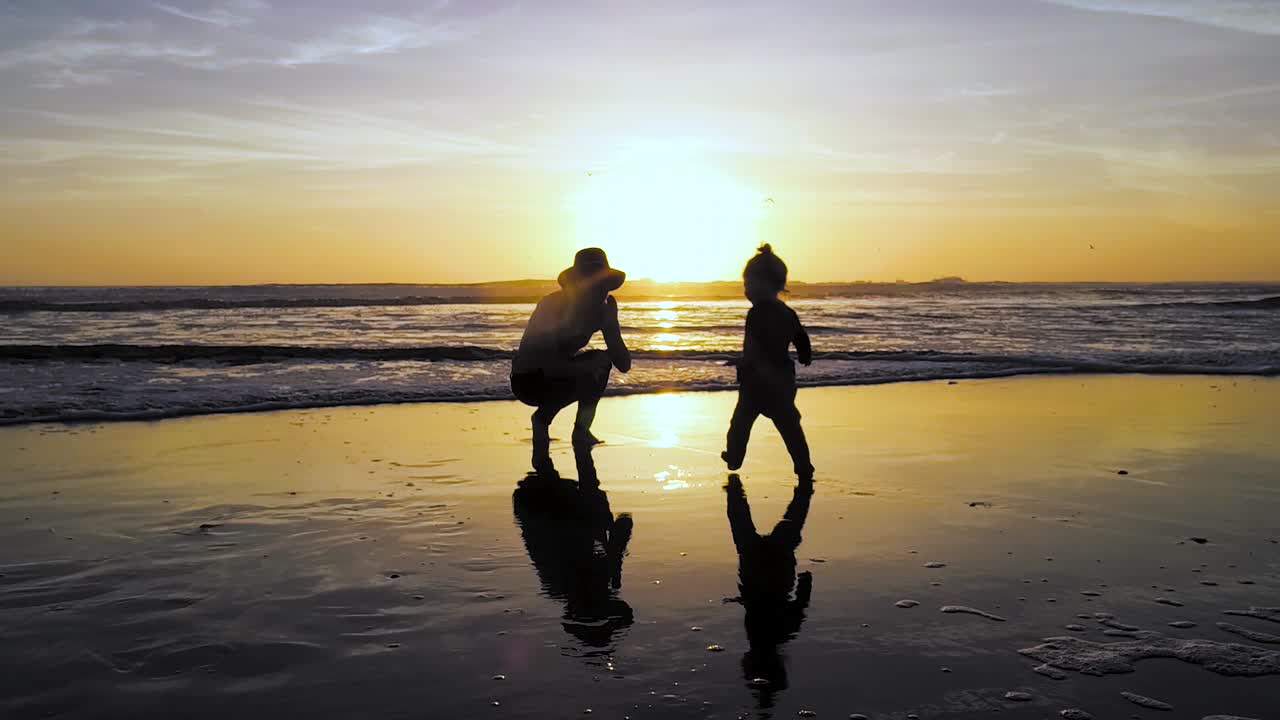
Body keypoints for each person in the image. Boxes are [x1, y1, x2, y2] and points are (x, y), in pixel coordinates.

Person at [511, 248, 632, 476]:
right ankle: (543, 418)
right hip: (528, 380)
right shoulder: (551, 305)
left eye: (602, 284)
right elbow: (542, 358)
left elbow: (623, 364)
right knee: (594, 363)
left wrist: (611, 325)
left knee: (601, 361)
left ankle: (581, 431)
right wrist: (584, 364)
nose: (598, 290)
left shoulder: (600, 311)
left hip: (559, 376)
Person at [722, 244, 814, 479]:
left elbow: (760, 344)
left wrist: (745, 362)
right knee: (790, 426)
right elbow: (800, 337)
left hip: (757, 382)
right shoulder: (787, 312)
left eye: (749, 284)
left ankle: (734, 457)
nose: (746, 290)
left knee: (741, 423)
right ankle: (803, 464)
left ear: (767, 284)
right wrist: (804, 355)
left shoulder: (757, 313)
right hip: (782, 379)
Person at [723, 473, 814, 708]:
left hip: (776, 567)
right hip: (760, 568)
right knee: (741, 522)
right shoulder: (766, 635)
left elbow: (801, 602)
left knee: (793, 518)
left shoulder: (783, 632)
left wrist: (806, 581)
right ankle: (734, 489)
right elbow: (799, 603)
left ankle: (804, 488)